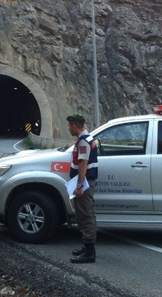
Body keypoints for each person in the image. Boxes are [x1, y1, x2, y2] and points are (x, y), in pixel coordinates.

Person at [67, 113, 98, 264]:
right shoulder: (84, 139)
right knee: (83, 214)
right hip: (83, 182)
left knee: (85, 215)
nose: (68, 128)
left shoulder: (84, 142)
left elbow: (83, 164)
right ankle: (86, 248)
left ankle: (89, 252)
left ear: (74, 125)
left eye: (69, 125)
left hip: (84, 183)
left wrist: (79, 186)